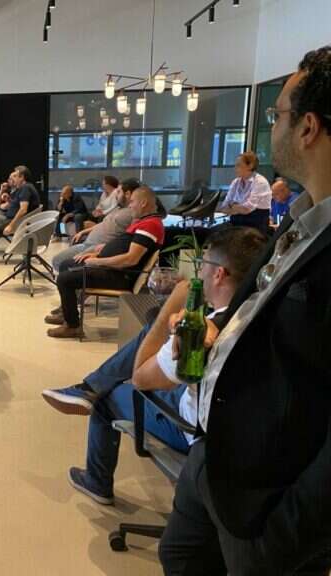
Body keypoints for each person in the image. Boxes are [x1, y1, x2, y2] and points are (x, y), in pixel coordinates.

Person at [159, 46, 331, 576]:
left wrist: (284, 534)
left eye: (276, 115)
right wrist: (217, 337)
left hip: (266, 500)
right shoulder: (300, 220)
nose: (271, 127)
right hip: (215, 455)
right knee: (180, 557)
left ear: (308, 127)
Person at [40, 227, 266, 505]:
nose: (199, 272)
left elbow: (140, 378)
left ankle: (96, 478)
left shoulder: (195, 337)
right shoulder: (258, 314)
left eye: (204, 263)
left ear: (219, 274)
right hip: (244, 434)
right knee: (151, 327)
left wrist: (174, 304)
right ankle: (88, 387)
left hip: (195, 430)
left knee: (109, 396)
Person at [47, 186, 164, 339]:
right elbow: (123, 248)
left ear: (143, 203)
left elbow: (131, 259)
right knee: (67, 264)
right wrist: (97, 254)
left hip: (121, 275)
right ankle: (68, 314)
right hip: (114, 269)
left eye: (132, 202)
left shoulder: (150, 225)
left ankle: (72, 326)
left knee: (64, 279)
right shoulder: (146, 222)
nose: (130, 205)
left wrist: (98, 261)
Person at [51, 178, 141, 273]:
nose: (116, 195)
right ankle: (60, 234)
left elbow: (127, 239)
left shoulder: (133, 213)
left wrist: (104, 249)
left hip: (96, 245)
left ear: (127, 194)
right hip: (89, 242)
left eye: (118, 192)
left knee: (59, 262)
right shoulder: (119, 208)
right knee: (60, 258)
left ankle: (73, 276)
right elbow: (103, 222)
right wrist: (83, 232)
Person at [0, 166, 41, 250]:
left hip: (16, 221)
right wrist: (9, 200)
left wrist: (11, 225)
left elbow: (23, 210)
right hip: (10, 218)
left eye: (15, 176)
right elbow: (17, 205)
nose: (12, 179)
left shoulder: (26, 188)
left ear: (22, 177)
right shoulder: (24, 188)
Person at [217, 151, 272, 233]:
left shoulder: (260, 182)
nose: (235, 168)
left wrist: (232, 205)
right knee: (204, 232)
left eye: (238, 165)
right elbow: (224, 207)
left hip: (253, 228)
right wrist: (236, 207)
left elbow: (247, 209)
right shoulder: (236, 182)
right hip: (235, 224)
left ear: (250, 166)